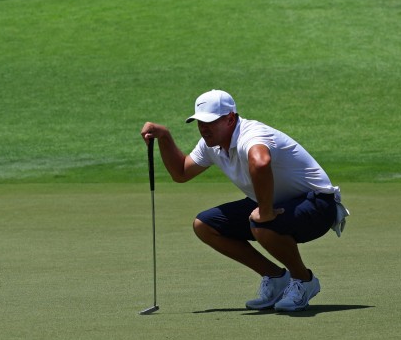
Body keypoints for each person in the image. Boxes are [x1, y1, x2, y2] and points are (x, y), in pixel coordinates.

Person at [140, 90, 349, 312]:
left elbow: (260, 163)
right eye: (200, 121)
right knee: (205, 225)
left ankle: (304, 280)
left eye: (210, 121)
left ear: (230, 118)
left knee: (261, 222)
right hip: (280, 203)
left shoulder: (252, 135)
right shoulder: (211, 144)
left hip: (318, 205)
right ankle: (276, 277)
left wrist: (266, 211)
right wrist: (165, 137)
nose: (203, 127)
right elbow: (181, 172)